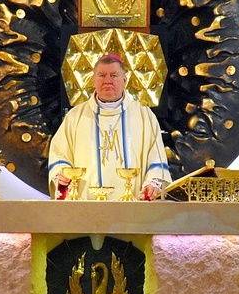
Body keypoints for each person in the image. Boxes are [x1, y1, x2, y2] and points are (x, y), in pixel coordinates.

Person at [48, 54, 170, 200]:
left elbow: (156, 157)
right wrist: (61, 176)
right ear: (93, 80)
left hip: (133, 208)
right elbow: (59, 154)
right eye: (101, 75)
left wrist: (152, 184)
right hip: (85, 208)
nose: (107, 80)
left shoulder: (144, 115)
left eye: (114, 75)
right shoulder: (75, 117)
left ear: (124, 80)